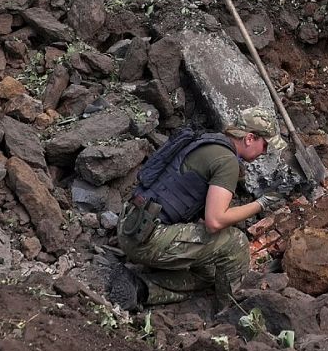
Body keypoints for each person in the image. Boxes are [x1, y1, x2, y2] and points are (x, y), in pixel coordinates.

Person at [110, 108, 288, 308]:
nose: (264, 152)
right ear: (249, 138)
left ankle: (140, 288)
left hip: (131, 226)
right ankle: (230, 312)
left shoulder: (207, 141)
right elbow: (215, 221)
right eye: (264, 145)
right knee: (235, 243)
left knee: (210, 273)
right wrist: (261, 203)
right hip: (149, 239)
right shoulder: (227, 161)